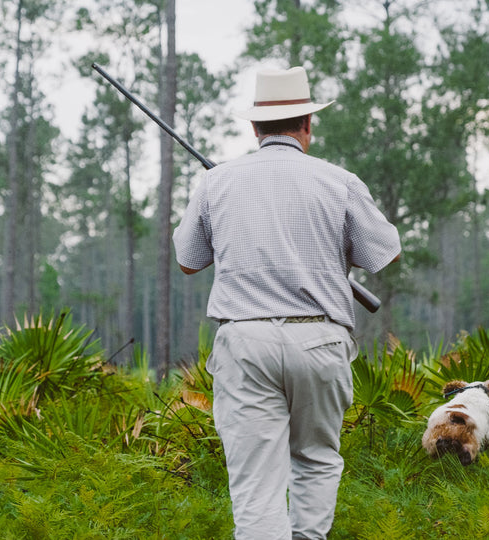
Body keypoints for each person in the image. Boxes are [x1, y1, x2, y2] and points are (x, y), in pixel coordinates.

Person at [172, 66, 402, 540]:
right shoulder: (338, 181)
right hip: (320, 339)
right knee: (316, 460)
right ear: (307, 125)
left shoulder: (218, 183)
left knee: (256, 481)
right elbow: (384, 252)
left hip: (245, 341)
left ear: (255, 128)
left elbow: (188, 261)